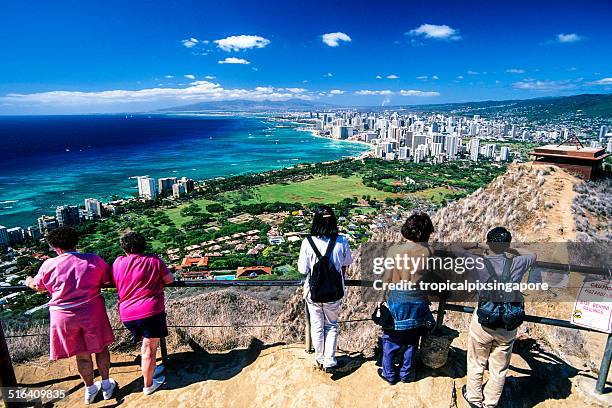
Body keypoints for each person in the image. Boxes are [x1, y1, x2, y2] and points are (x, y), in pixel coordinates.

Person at [25, 227, 117, 404]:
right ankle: (106, 386)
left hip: (63, 315)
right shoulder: (92, 259)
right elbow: (108, 279)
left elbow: (38, 286)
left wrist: (28, 280)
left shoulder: (49, 265)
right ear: (76, 242)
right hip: (92, 310)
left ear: (55, 247)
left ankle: (89, 390)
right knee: (100, 348)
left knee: (81, 354)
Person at [452, 227, 536, 408]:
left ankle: (474, 399)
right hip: (508, 322)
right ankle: (490, 403)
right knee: (499, 368)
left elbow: (455, 248)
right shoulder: (519, 262)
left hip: (484, 320)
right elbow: (532, 254)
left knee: (476, 361)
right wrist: (510, 249)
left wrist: (478, 245)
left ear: (489, 243)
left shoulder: (478, 262)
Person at [111, 231, 174, 395]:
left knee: (145, 348)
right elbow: (170, 280)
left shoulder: (118, 262)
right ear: (143, 245)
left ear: (124, 248)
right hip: (150, 312)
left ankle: (150, 370)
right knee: (148, 350)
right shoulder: (154, 261)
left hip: (127, 314)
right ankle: (148, 385)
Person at [378, 212, 436, 384]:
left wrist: (381, 300)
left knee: (390, 339)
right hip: (418, 300)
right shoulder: (429, 252)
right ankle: (406, 374)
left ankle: (389, 374)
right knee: (412, 340)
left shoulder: (394, 251)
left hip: (397, 298)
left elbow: (387, 278)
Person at [298, 206, 352, 373]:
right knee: (331, 325)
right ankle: (330, 360)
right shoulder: (342, 241)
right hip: (334, 292)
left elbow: (302, 270)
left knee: (316, 325)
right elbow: (345, 265)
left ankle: (319, 358)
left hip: (313, 293)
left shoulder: (307, 242)